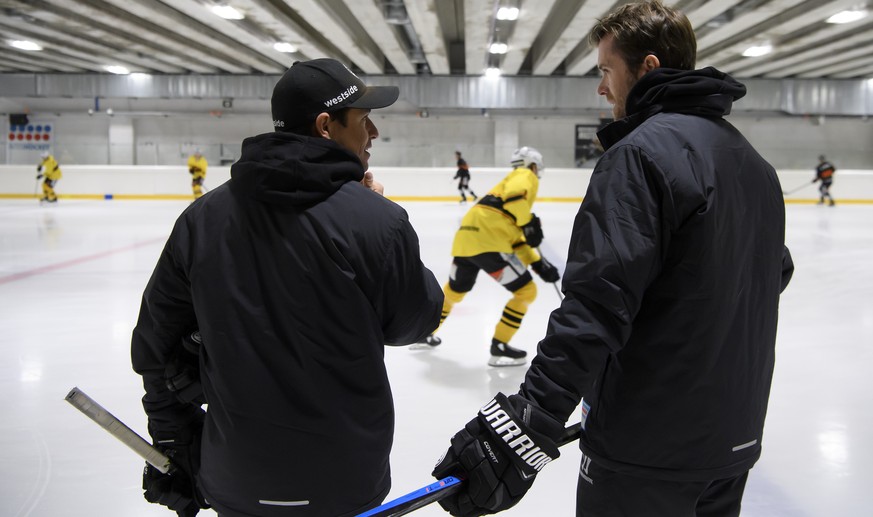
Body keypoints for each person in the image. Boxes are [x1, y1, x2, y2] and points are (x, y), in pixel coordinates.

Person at [429, 2, 795, 516]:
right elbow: (771, 271)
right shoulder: (756, 165)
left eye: (605, 70)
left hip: (645, 449)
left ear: (646, 69)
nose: (601, 87)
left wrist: (530, 417)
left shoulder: (640, 155)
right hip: (732, 442)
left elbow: (597, 303)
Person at [131, 58, 443, 517]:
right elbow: (414, 322)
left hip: (234, 478)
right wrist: (380, 222)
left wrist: (174, 438)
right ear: (325, 126)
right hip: (345, 480)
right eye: (363, 119)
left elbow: (156, 344)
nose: (373, 132)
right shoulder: (378, 220)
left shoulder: (201, 220)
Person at [413, 146, 560, 367]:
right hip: (489, 242)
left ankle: (424, 332)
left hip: (466, 241)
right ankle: (499, 346)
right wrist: (529, 224)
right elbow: (516, 201)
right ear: (532, 165)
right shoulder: (524, 175)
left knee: (453, 292)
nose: (536, 173)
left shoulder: (500, 191)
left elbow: (515, 238)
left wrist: (538, 264)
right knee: (526, 292)